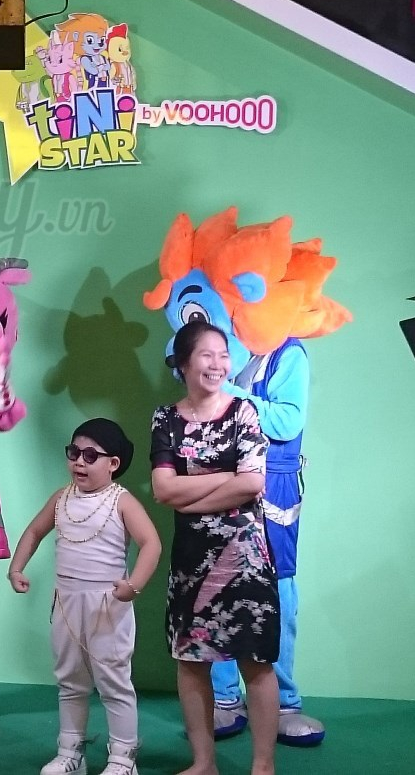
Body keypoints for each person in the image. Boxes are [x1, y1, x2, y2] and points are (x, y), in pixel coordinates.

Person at [150, 321, 281, 775]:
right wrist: (228, 477)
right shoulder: (165, 419)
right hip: (191, 561)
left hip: (246, 561)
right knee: (191, 662)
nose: (218, 364)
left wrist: (190, 497)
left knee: (256, 661)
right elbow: (162, 490)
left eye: (223, 355)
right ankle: (203, 763)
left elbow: (253, 484)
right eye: (206, 354)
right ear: (184, 363)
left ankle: (263, 765)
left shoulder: (244, 412)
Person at [7, 418, 162, 775]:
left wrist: (134, 585)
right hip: (66, 602)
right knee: (70, 681)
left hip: (108, 604)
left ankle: (123, 758)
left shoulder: (121, 501)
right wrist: (16, 568)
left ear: (113, 463)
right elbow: (34, 531)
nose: (79, 461)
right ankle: (70, 752)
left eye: (90, 455)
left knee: (114, 682)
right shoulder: (61, 498)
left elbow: (151, 543)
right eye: (74, 452)